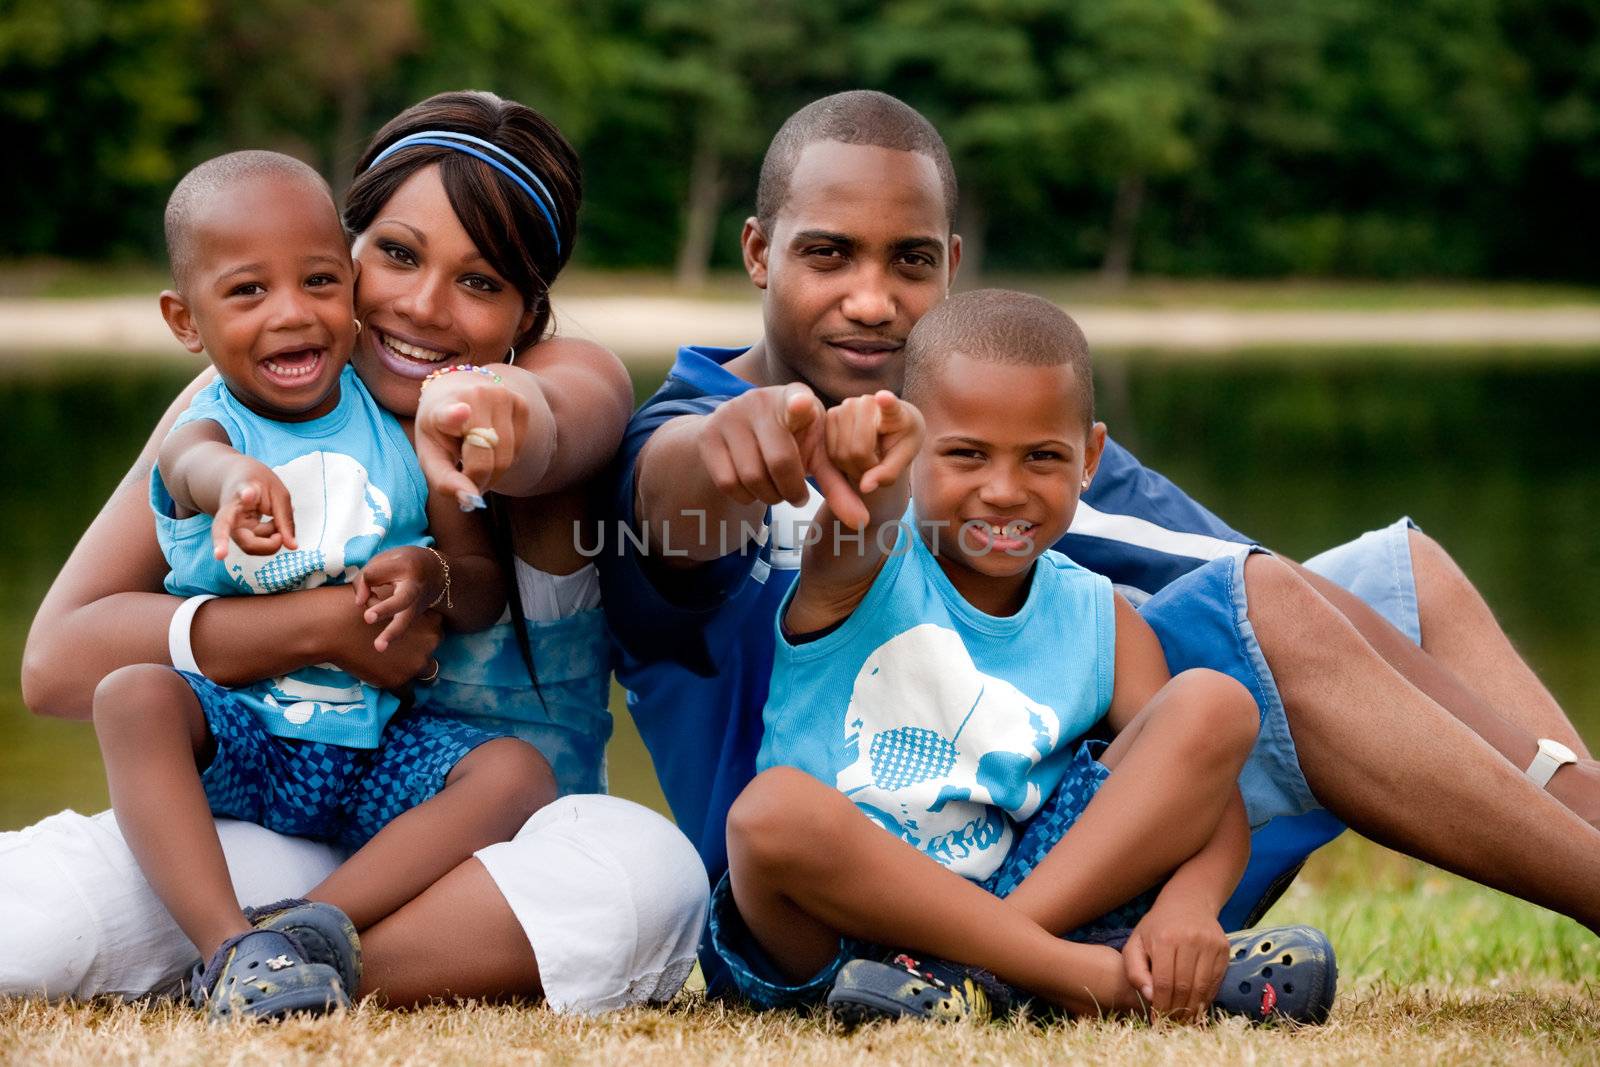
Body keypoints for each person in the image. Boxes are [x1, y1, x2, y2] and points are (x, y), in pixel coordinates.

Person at [597, 89, 1600, 998]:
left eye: (908, 261)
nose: (871, 298)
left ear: (950, 265)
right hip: (821, 890)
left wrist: (1550, 776)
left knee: (1397, 581)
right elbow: (672, 491)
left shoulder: (1004, 424)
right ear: (757, 252)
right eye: (828, 254)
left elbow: (1276, 601)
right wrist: (748, 437)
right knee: (1272, 609)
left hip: (1040, 847)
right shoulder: (693, 429)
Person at [8, 91, 708, 1013]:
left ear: (530, 310)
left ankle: (279, 954)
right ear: (348, 248)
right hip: (275, 814)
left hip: (489, 863)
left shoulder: (556, 379)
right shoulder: (247, 400)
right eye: (398, 254)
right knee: (32, 918)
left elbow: (562, 418)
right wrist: (314, 625)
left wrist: (496, 416)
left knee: (648, 871)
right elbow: (57, 665)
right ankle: (248, 957)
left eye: (482, 281)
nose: (423, 306)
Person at [715, 289, 1338, 1024]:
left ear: (1090, 458)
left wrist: (1190, 906)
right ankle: (1090, 979)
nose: (1004, 490)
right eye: (965, 455)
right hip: (833, 928)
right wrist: (869, 471)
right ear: (913, 452)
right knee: (770, 814)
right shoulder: (863, 569)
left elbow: (1209, 797)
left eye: (1043, 457)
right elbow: (858, 524)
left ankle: (980, 975)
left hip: (1021, 892)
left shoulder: (1096, 613)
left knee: (1215, 704)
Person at [90, 149, 561, 1018]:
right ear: (184, 321)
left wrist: (428, 572)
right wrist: (230, 483)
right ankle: (226, 944)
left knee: (517, 774)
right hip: (243, 731)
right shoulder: (209, 425)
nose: (291, 315)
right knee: (132, 698)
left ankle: (311, 927)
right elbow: (189, 463)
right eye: (247, 292)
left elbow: (482, 585)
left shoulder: (404, 423)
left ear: (350, 284)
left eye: (316, 281)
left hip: (376, 744)